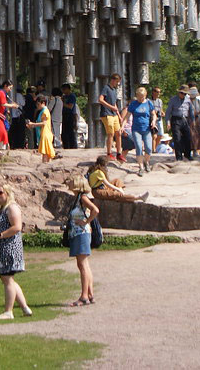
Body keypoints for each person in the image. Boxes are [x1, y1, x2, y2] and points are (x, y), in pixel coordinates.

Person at [0, 183, 32, 320]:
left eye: (1, 193)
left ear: (7, 193)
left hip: (9, 248)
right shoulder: (1, 209)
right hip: (1, 248)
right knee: (7, 278)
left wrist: (0, 235)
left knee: (7, 279)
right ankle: (24, 308)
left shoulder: (12, 207)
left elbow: (17, 227)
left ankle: (8, 311)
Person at [65, 174, 99, 306]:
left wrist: (86, 222)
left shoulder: (83, 197)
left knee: (83, 264)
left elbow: (95, 210)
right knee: (83, 264)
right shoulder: (77, 198)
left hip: (81, 233)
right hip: (77, 234)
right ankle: (90, 294)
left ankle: (84, 296)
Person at [125, 87, 157, 175]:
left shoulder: (149, 103)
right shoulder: (133, 104)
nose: (140, 98)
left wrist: (154, 121)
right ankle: (141, 167)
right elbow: (127, 116)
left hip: (146, 128)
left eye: (142, 97)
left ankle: (146, 162)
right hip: (136, 129)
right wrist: (122, 126)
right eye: (139, 96)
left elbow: (154, 114)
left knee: (149, 148)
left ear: (145, 95)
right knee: (139, 147)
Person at [165, 85, 195, 161]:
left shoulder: (188, 100)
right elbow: (168, 112)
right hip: (176, 119)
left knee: (188, 137)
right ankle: (179, 157)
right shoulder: (173, 100)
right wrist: (167, 122)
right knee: (177, 138)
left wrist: (193, 121)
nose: (183, 95)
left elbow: (191, 111)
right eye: (182, 93)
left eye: (185, 94)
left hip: (185, 120)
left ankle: (188, 155)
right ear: (179, 92)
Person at [0, 80, 19, 155]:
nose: (10, 90)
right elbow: (3, 104)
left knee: (2, 131)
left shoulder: (2, 93)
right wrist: (12, 105)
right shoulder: (1, 93)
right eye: (10, 88)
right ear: (5, 86)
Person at [99, 74, 124, 162]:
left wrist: (119, 115)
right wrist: (110, 107)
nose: (118, 84)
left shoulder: (114, 90)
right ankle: (109, 153)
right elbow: (100, 100)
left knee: (118, 133)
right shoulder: (106, 88)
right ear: (113, 80)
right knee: (110, 134)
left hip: (114, 114)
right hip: (106, 114)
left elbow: (114, 103)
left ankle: (119, 153)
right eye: (117, 82)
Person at [25, 95, 56, 162]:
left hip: (45, 134)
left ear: (43, 103)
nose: (37, 106)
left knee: (45, 154)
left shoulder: (45, 111)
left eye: (38, 104)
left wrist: (33, 124)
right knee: (47, 153)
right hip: (44, 133)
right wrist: (32, 125)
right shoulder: (43, 111)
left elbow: (44, 123)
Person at [188, 86, 200, 157]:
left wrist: (199, 113)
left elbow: (198, 110)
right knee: (190, 136)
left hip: (196, 119)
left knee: (197, 136)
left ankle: (195, 151)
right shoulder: (187, 101)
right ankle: (189, 151)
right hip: (189, 120)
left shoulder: (197, 100)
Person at [61, 83, 79, 150]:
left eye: (64, 89)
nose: (63, 91)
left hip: (70, 115)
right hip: (64, 114)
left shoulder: (72, 96)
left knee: (71, 131)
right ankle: (66, 145)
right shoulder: (64, 97)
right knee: (64, 132)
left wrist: (63, 103)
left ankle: (73, 146)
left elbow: (70, 106)